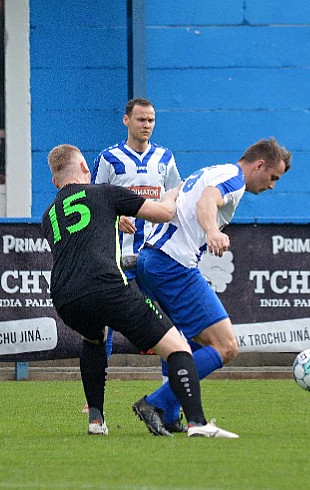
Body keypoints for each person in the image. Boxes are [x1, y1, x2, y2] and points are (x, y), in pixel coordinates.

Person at [41, 143, 237, 438]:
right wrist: (172, 194)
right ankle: (197, 422)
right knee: (178, 347)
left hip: (64, 297)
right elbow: (163, 213)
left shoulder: (49, 214)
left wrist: (111, 218)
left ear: (55, 182)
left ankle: (96, 419)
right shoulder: (105, 191)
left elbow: (81, 232)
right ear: (85, 168)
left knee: (94, 339)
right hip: (106, 286)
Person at [135, 137, 292, 426]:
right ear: (259, 165)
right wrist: (212, 231)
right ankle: (155, 403)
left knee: (179, 343)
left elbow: (178, 193)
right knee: (226, 346)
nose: (272, 185)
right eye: (273, 177)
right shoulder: (234, 179)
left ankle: (170, 416)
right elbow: (207, 201)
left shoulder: (213, 170)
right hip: (174, 264)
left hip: (151, 260)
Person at [87, 97, 182, 417]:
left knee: (166, 325)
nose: (147, 125)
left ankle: (172, 392)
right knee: (103, 328)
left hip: (155, 258)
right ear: (126, 121)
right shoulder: (109, 159)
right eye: (141, 119)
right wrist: (115, 217)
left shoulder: (165, 159)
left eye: (151, 120)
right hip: (119, 258)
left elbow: (176, 199)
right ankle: (94, 397)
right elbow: (93, 203)